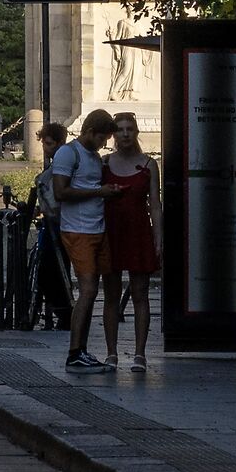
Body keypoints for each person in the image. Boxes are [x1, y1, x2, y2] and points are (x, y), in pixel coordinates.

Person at [51, 108, 118, 373]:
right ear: (90, 132)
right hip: (78, 229)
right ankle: (75, 351)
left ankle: (83, 349)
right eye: (102, 138)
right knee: (88, 290)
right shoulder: (69, 153)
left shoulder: (93, 156)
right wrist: (98, 191)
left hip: (97, 228)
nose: (104, 144)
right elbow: (61, 192)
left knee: (96, 290)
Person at [104, 111, 161, 369]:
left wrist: (158, 238)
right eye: (120, 129)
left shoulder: (149, 165)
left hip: (139, 231)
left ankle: (140, 353)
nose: (125, 133)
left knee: (140, 293)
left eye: (129, 129)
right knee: (111, 295)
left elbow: (155, 205)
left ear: (137, 132)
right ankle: (111, 352)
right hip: (112, 231)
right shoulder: (104, 164)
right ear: (113, 134)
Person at [30, 120, 72, 332]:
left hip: (59, 224)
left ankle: (64, 312)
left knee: (53, 270)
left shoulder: (62, 164)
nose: (46, 148)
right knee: (50, 270)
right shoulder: (57, 164)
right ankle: (59, 311)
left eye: (49, 143)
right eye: (45, 144)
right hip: (52, 223)